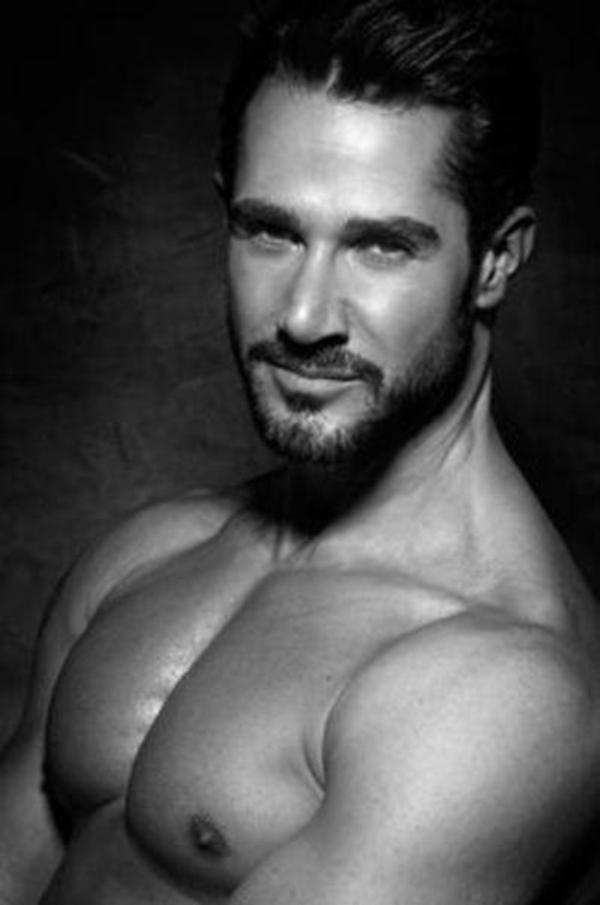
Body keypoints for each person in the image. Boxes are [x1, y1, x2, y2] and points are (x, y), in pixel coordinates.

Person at [1, 0, 600, 902]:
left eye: (380, 247)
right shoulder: (147, 554)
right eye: (271, 231)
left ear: (496, 260)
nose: (305, 316)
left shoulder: (507, 692)